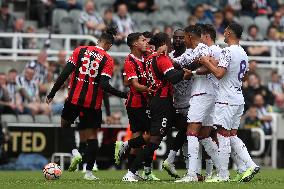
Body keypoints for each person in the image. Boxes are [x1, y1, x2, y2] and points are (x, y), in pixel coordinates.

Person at [46, 27, 128, 180]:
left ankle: (74, 151)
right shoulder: (108, 60)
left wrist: (52, 93)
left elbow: (65, 73)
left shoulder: (80, 50)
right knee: (92, 138)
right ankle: (89, 172)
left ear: (98, 41)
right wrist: (124, 94)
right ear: (109, 45)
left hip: (74, 99)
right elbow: (104, 86)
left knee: (65, 125)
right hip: (93, 103)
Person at [122, 32, 192, 182]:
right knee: (154, 141)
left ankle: (169, 158)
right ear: (165, 42)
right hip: (162, 103)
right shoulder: (161, 58)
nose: (172, 44)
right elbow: (172, 77)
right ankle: (131, 172)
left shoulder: (150, 57)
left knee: (186, 126)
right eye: (169, 42)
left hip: (159, 102)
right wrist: (185, 74)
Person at [198, 22, 260, 182]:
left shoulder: (227, 51)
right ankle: (246, 166)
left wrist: (206, 63)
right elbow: (244, 76)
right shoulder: (243, 53)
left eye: (224, 32)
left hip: (226, 98)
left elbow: (219, 74)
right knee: (232, 134)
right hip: (238, 97)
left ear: (230, 34)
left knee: (222, 135)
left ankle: (223, 174)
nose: (223, 34)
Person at [115, 32, 159, 181]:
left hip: (144, 102)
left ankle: (132, 173)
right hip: (137, 104)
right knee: (152, 135)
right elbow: (133, 84)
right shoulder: (130, 61)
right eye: (142, 40)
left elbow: (127, 80)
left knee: (138, 139)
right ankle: (125, 144)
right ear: (135, 44)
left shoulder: (145, 57)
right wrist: (149, 89)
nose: (146, 42)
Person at [162, 29, 190, 179]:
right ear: (172, 40)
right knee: (187, 133)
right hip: (174, 103)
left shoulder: (190, 55)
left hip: (191, 102)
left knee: (188, 136)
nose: (178, 40)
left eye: (181, 37)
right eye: (176, 38)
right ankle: (169, 160)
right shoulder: (169, 57)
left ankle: (185, 167)